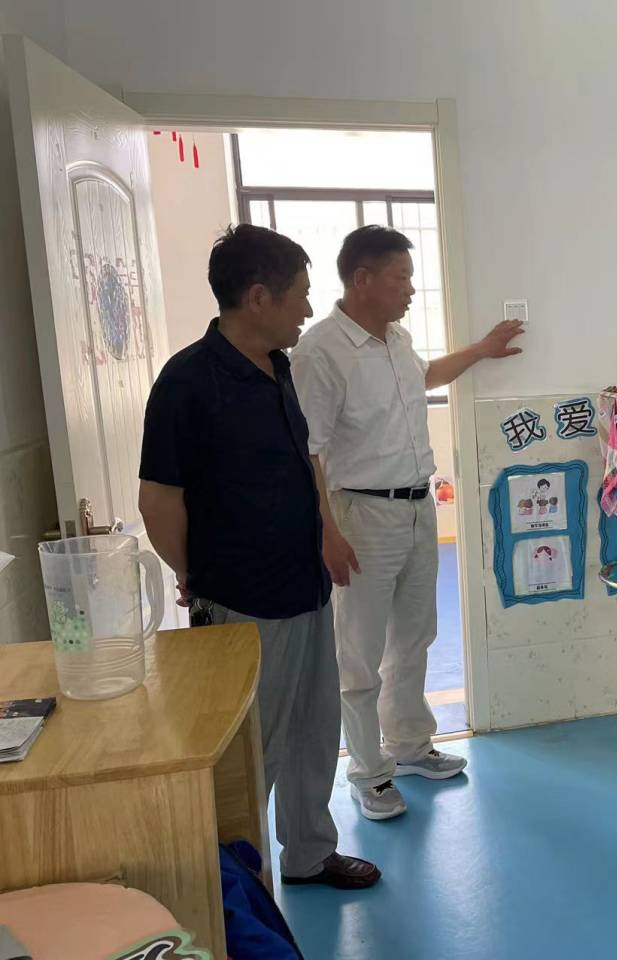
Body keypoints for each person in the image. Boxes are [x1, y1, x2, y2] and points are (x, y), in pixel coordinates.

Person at [139, 224, 379, 889]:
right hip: (242, 600)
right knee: (252, 750)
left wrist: (327, 531)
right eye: (300, 295)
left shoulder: (279, 367)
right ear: (257, 297)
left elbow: (307, 461)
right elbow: (158, 499)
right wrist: (192, 575)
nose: (309, 308)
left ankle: (309, 854)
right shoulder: (188, 381)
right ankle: (243, 884)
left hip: (304, 583)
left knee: (312, 728)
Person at [291, 226, 524, 820]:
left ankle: (410, 746)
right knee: (360, 652)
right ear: (362, 279)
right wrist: (327, 531)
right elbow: (307, 450)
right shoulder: (320, 352)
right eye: (401, 278)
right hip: (361, 514)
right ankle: (368, 773)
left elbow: (424, 378)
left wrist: (481, 350)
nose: (411, 290)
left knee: (414, 637)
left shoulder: (396, 338)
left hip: (419, 507)